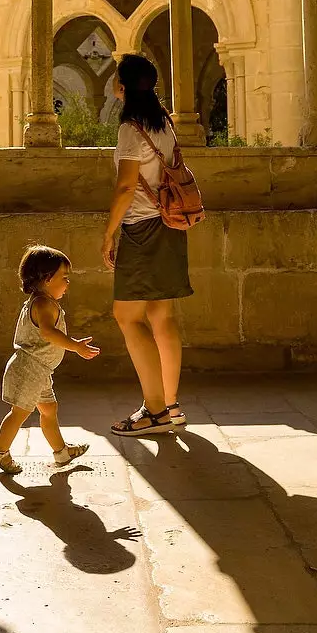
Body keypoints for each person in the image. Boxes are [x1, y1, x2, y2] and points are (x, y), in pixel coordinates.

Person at [101, 53, 193, 436]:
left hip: (141, 227)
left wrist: (109, 232)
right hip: (172, 225)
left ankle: (154, 410)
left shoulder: (129, 128)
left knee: (127, 316)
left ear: (122, 86)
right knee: (162, 317)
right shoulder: (165, 124)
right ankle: (171, 406)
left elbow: (125, 187)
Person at [0, 244, 99, 474]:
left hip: (40, 370)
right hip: (29, 369)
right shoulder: (43, 303)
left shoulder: (42, 301)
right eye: (64, 277)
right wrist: (75, 346)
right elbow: (48, 332)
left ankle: (61, 452)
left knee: (49, 409)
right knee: (19, 413)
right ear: (48, 278)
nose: (68, 283)